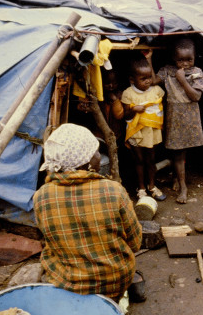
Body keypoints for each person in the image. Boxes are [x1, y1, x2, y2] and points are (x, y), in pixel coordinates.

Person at [33, 123, 143, 302]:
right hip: (114, 281)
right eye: (96, 152)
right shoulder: (113, 191)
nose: (99, 156)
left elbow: (50, 242)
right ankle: (118, 297)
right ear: (85, 162)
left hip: (69, 282)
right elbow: (135, 242)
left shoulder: (41, 196)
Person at [151, 39, 203, 204]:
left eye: (189, 59)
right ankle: (181, 183)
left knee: (181, 151)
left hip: (189, 116)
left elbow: (196, 96)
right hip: (174, 116)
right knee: (177, 151)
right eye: (181, 60)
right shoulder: (167, 71)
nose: (185, 63)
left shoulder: (197, 72)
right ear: (174, 58)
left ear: (195, 57)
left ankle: (180, 182)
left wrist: (182, 79)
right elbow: (153, 81)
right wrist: (148, 59)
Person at [121, 55, 167, 201]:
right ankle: (141, 188)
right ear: (132, 79)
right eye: (143, 78)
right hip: (136, 132)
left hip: (152, 131)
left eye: (149, 77)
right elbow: (125, 115)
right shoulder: (128, 93)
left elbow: (162, 109)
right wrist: (134, 109)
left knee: (151, 159)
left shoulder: (156, 90)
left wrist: (162, 125)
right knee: (139, 160)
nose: (148, 81)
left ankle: (152, 186)